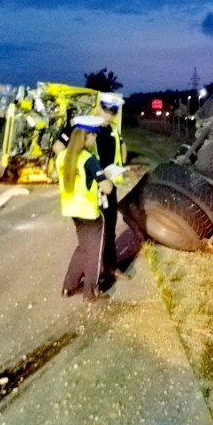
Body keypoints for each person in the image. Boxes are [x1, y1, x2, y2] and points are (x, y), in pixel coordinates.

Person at [53, 93, 126, 288]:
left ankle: (110, 267)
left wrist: (118, 168)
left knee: (109, 229)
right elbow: (59, 147)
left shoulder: (112, 130)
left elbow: (120, 150)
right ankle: (92, 273)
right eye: (107, 111)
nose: (109, 116)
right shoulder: (81, 126)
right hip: (90, 190)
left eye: (113, 113)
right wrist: (78, 171)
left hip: (109, 186)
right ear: (98, 107)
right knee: (92, 237)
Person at [56, 115, 114, 301]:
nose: (95, 139)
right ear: (86, 136)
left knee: (83, 247)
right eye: (94, 136)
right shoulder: (89, 159)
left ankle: (69, 286)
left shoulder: (62, 156)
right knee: (95, 252)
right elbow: (107, 188)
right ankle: (91, 291)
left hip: (71, 211)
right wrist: (107, 177)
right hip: (90, 213)